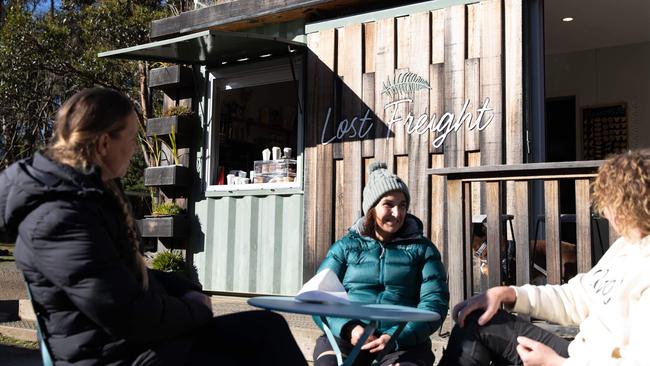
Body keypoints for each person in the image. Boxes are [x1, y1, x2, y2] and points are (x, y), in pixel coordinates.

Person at [0, 87, 307, 366]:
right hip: (113, 355)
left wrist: (184, 288)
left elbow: (121, 273)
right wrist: (196, 310)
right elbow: (127, 314)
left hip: (138, 344)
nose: (135, 148)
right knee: (257, 347)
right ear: (105, 142)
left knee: (267, 328)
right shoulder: (57, 216)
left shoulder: (91, 192)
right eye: (132, 138)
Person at [438, 149, 650, 366]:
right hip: (579, 354)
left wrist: (556, 363)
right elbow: (577, 297)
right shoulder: (624, 247)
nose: (604, 211)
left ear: (628, 205)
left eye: (609, 201)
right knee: (477, 322)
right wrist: (510, 294)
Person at [312, 161, 449, 366]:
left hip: (403, 344)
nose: (397, 213)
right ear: (371, 208)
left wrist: (396, 337)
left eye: (402, 205)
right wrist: (349, 328)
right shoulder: (345, 247)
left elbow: (434, 304)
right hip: (346, 340)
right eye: (388, 204)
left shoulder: (423, 249)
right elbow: (317, 297)